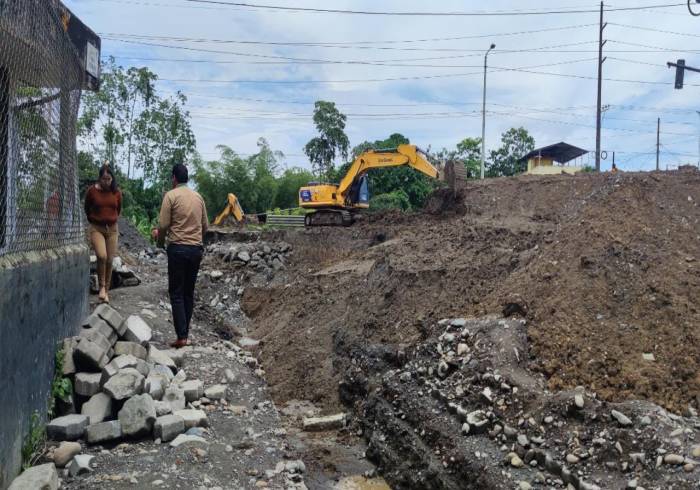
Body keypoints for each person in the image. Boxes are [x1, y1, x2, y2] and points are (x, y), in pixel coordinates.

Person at [152, 163, 208, 349]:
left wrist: (159, 243)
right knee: (188, 293)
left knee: (176, 293)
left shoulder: (171, 196)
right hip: (195, 250)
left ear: (174, 178)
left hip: (178, 249)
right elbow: (205, 226)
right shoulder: (199, 197)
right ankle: (185, 333)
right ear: (187, 178)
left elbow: (163, 225)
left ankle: (182, 336)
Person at [84, 164, 122, 303]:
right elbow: (87, 208)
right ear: (99, 178)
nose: (107, 182)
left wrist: (111, 220)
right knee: (102, 255)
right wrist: (95, 220)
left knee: (110, 259)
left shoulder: (116, 192)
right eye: (104, 179)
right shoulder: (92, 191)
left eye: (109, 179)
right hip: (96, 228)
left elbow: (118, 210)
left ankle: (105, 291)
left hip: (112, 229)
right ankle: (102, 287)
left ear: (112, 178)